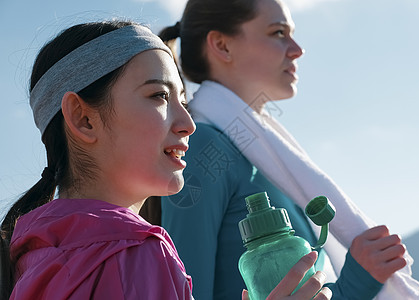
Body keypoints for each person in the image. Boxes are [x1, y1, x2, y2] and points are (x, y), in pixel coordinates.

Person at [0, 19, 332, 300]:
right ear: (84, 119)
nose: (187, 124)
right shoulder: (136, 252)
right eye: (159, 95)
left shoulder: (25, 254)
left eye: (183, 101)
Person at [159, 0, 419, 299]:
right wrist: (357, 280)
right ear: (222, 45)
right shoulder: (204, 148)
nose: (297, 48)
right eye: (278, 32)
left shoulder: (268, 159)